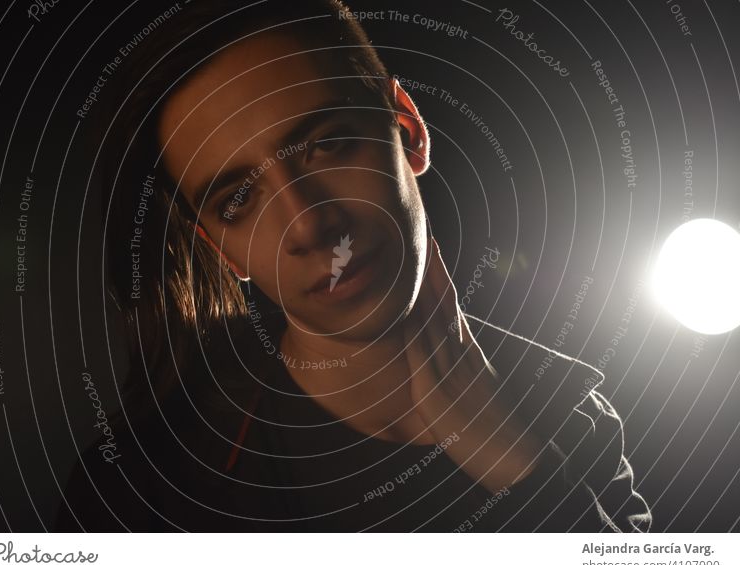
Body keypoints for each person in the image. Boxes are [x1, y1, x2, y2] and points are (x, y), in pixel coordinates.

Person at [54, 0, 651, 532]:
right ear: (220, 249)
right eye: (240, 199)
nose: (311, 226)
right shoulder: (147, 490)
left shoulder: (573, 420)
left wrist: (517, 469)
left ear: (408, 131)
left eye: (331, 143)